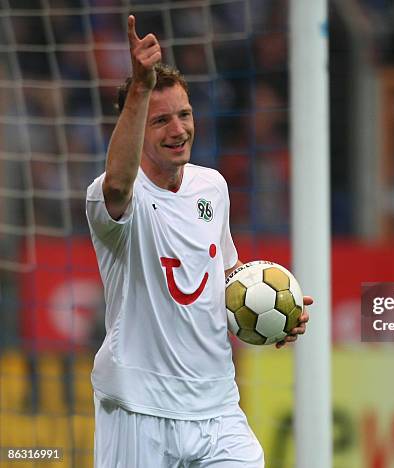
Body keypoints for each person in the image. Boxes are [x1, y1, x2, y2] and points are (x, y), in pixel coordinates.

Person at [85, 16, 311, 467]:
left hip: (216, 407)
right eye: (161, 120)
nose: (178, 130)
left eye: (184, 115)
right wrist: (139, 90)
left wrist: (269, 311)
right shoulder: (111, 197)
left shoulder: (212, 186)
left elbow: (223, 275)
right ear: (136, 126)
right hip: (139, 407)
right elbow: (117, 186)